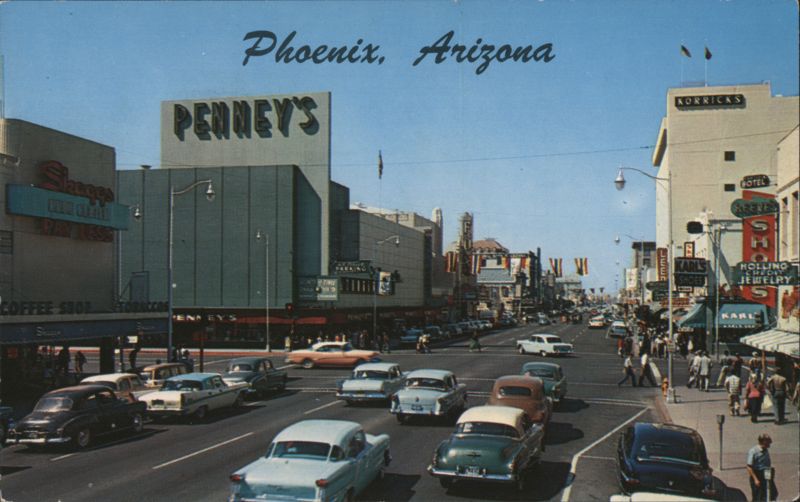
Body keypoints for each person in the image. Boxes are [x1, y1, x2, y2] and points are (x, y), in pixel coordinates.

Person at [746, 433, 777, 502]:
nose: (770, 442)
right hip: (757, 474)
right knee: (758, 497)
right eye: (768, 441)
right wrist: (755, 479)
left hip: (766, 474)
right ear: (763, 441)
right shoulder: (753, 451)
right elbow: (749, 467)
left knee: (773, 493)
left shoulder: (765, 449)